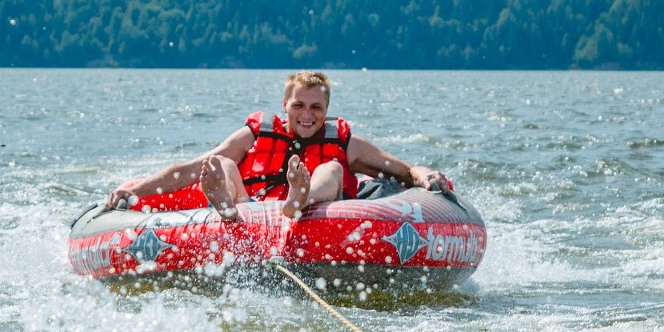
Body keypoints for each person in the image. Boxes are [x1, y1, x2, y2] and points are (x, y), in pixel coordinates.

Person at [103, 71, 450, 220]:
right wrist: (135, 192)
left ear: (326, 111)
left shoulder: (345, 142)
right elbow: (193, 168)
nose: (307, 115)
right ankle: (230, 205)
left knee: (330, 168)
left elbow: (403, 171)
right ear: (285, 105)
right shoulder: (256, 134)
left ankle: (301, 197)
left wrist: (425, 176)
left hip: (313, 211)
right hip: (252, 205)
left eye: (316, 108)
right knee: (219, 164)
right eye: (299, 105)